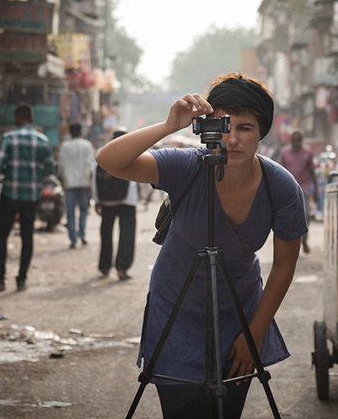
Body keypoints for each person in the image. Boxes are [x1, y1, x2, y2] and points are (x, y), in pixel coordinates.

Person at [95, 73, 307, 418]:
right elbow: (108, 160)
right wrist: (168, 126)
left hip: (239, 312)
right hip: (176, 309)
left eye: (245, 128)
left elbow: (284, 265)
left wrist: (254, 334)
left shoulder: (279, 186)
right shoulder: (186, 167)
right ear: (203, 127)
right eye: (222, 125)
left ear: (262, 132)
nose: (232, 139)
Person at [0, 103, 54, 292]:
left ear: (17, 117)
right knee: (27, 237)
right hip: (31, 195)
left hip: (10, 193)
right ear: (31, 118)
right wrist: (34, 173)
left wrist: (10, 172)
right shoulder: (43, 140)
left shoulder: (8, 138)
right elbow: (49, 169)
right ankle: (21, 279)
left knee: (2, 236)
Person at [93, 129, 138, 280]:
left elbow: (95, 177)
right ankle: (122, 268)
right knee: (127, 234)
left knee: (106, 233)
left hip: (108, 199)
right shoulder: (134, 150)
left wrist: (97, 199)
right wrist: (143, 196)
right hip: (128, 199)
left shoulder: (104, 151)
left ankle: (105, 267)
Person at [278, 131, 317, 253]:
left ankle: (304, 241)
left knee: (305, 215)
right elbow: (279, 171)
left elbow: (312, 172)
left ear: (301, 141)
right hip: (288, 188)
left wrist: (315, 191)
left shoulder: (308, 153)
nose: (295, 143)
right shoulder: (284, 153)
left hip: (304, 188)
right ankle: (289, 244)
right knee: (287, 216)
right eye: (293, 141)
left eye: (297, 141)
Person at [59, 122, 94, 249]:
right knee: (84, 209)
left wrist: (63, 177)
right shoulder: (87, 145)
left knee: (70, 211)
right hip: (84, 182)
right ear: (81, 132)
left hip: (70, 182)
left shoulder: (65, 146)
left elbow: (61, 164)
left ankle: (73, 239)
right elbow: (91, 164)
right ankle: (82, 234)